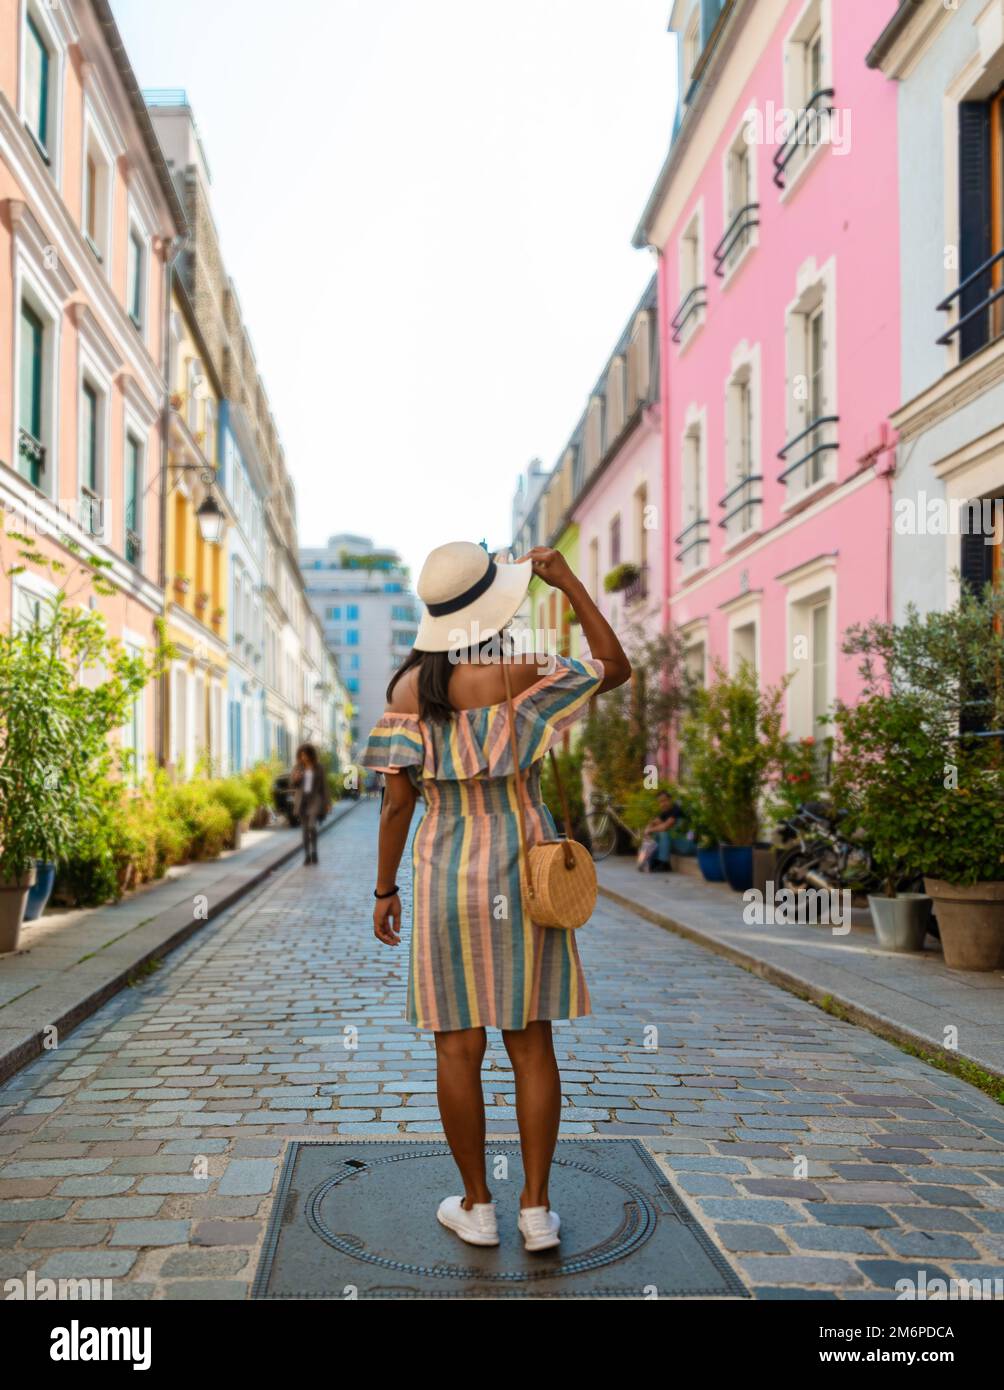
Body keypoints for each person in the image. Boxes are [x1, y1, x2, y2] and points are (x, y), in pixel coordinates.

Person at [360, 541, 631, 1253]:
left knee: (457, 1045)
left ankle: (478, 1205)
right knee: (531, 1039)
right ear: (493, 608)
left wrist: (385, 889)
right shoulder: (522, 672)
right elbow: (615, 667)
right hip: (523, 866)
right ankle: (536, 1211)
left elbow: (395, 806)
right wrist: (568, 581)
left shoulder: (407, 691)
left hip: (445, 869)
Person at [291, 743, 331, 866]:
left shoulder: (319, 768)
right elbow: (293, 785)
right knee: (304, 830)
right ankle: (307, 855)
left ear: (310, 754)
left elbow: (324, 786)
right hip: (302, 801)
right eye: (301, 755)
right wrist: (296, 779)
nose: (303, 758)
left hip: (315, 800)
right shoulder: (298, 767)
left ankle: (314, 852)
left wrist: (327, 803)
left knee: (312, 826)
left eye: (305, 755)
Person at [645, 790, 684, 873]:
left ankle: (664, 863)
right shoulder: (665, 812)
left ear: (670, 800)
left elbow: (665, 826)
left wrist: (650, 830)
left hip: (685, 844)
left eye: (665, 800)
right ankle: (654, 861)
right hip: (675, 843)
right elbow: (653, 822)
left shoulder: (676, 809)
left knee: (663, 833)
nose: (663, 804)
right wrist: (648, 830)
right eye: (660, 802)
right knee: (657, 832)